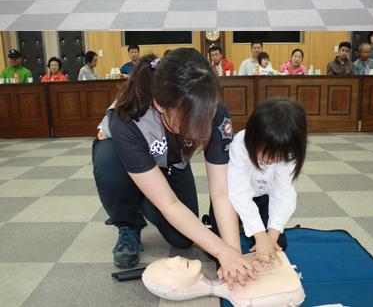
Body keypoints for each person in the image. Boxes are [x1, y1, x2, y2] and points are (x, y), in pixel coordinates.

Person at [92, 49, 255, 286]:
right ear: (160, 105)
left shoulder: (216, 111)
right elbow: (169, 204)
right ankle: (128, 222)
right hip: (120, 156)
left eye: (207, 117)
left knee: (182, 239)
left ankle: (148, 194)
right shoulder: (127, 119)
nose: (202, 126)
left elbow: (221, 191)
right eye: (192, 120)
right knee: (111, 167)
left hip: (170, 161)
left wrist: (232, 253)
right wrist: (221, 251)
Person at [227, 97, 307, 263]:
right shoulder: (239, 145)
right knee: (221, 246)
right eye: (265, 152)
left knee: (279, 244)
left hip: (262, 197)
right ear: (253, 136)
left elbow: (283, 192)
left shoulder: (290, 151)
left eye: (278, 156)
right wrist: (259, 233)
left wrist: (271, 235)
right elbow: (239, 193)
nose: (269, 161)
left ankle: (249, 227)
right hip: (231, 198)